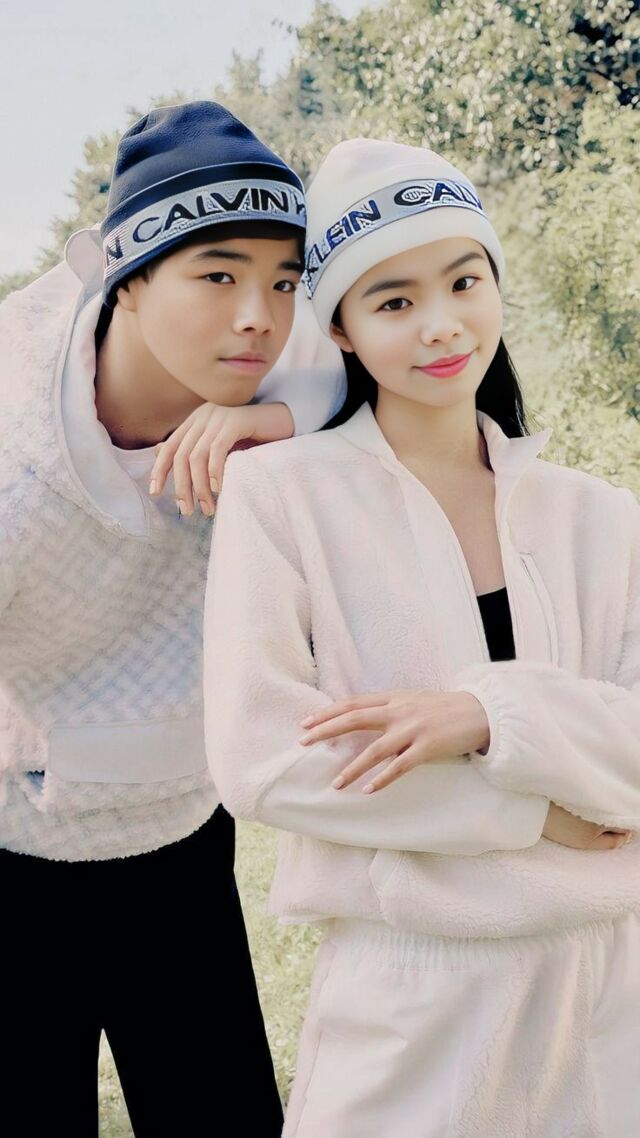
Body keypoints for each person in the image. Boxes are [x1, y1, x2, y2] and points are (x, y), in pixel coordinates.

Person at [203, 138, 640, 1137]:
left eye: (464, 281)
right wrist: (536, 813)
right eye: (394, 300)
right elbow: (263, 755)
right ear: (342, 329)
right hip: (410, 1007)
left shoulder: (600, 516)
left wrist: (488, 718)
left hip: (608, 995)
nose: (442, 324)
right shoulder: (283, 495)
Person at [0, 101, 344, 1137]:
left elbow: (401, 366)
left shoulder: (278, 365)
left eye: (282, 281)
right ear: (127, 278)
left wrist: (276, 418)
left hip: (181, 822)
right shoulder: (15, 455)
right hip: (15, 840)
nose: (258, 317)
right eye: (218, 276)